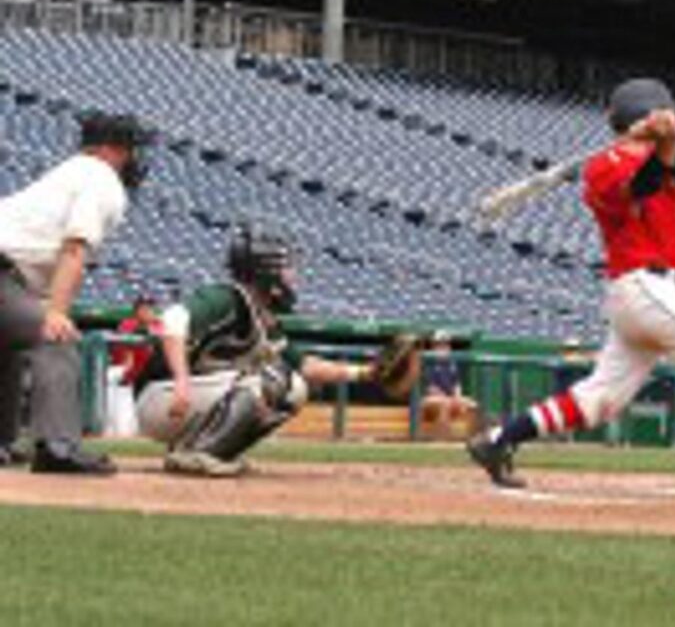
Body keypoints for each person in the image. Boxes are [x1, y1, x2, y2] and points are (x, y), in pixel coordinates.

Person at [467, 78, 675, 497]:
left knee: (602, 398)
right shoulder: (601, 167)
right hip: (641, 287)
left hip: (657, 293)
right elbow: (637, 188)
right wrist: (654, 142)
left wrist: (664, 140)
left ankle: (498, 440)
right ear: (640, 114)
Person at [134, 225, 421, 477]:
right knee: (273, 380)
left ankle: (208, 450)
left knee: (294, 387)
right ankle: (198, 454)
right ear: (265, 271)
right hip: (162, 396)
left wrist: (365, 373)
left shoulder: (263, 317)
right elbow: (171, 321)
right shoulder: (227, 298)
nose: (290, 277)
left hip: (184, 402)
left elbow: (304, 366)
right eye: (285, 269)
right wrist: (182, 380)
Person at [0, 112, 153, 474]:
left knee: (8, 341)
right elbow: (74, 248)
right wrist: (55, 312)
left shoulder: (70, 172)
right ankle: (58, 445)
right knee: (54, 336)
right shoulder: (102, 178)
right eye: (128, 148)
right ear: (113, 150)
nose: (133, 157)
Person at [420, 330, 477, 438]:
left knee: (472, 405)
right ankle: (443, 439)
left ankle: (474, 440)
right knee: (444, 404)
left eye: (446, 344)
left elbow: (457, 385)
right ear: (434, 346)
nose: (444, 347)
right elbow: (430, 388)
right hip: (427, 400)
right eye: (440, 344)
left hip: (448, 398)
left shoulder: (451, 363)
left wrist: (457, 397)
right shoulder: (428, 362)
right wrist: (450, 399)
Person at [111, 294, 164, 385]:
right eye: (143, 308)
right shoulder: (128, 324)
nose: (147, 311)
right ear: (136, 311)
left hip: (154, 376)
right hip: (132, 377)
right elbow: (125, 353)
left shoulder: (159, 325)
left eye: (150, 308)